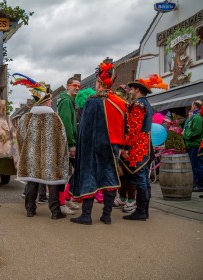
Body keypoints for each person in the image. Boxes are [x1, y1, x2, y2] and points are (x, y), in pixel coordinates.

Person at [69, 59, 127, 225]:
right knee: (109, 178)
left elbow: (84, 130)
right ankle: (106, 215)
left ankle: (86, 215)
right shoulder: (121, 103)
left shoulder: (92, 101)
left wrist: (80, 148)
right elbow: (125, 127)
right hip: (114, 147)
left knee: (90, 176)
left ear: (99, 82)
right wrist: (123, 146)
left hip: (94, 146)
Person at [15, 78, 70, 219]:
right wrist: (61, 154)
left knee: (32, 181)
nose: (51, 102)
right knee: (51, 182)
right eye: (50, 100)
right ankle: (55, 212)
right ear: (45, 101)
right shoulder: (55, 118)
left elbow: (20, 137)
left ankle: (30, 210)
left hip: (31, 155)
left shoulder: (26, 118)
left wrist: (24, 151)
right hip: (50, 156)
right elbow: (62, 138)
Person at [120, 74, 167, 221]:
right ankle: (143, 211)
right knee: (144, 179)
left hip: (138, 146)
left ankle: (141, 212)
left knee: (140, 179)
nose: (129, 91)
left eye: (131, 89)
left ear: (138, 90)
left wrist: (126, 146)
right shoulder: (145, 103)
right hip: (145, 145)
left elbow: (133, 128)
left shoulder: (139, 105)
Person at [57, 76, 81, 214]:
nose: (77, 88)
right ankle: (62, 203)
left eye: (79, 86)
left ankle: (66, 198)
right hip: (67, 144)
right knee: (65, 173)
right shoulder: (66, 101)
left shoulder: (70, 101)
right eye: (74, 85)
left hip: (70, 142)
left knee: (74, 171)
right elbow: (66, 124)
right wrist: (71, 144)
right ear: (68, 86)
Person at [113, 85, 137, 213]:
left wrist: (125, 147)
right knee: (119, 173)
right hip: (119, 145)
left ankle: (132, 199)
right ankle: (122, 196)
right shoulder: (116, 108)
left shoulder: (128, 108)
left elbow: (130, 129)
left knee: (129, 173)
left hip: (128, 147)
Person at [183, 100, 203, 192]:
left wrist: (185, 134)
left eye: (192, 105)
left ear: (195, 106)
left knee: (197, 165)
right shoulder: (194, 117)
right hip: (192, 144)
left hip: (195, 144)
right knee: (194, 165)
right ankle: (196, 183)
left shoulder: (198, 118)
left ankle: (199, 184)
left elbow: (196, 131)